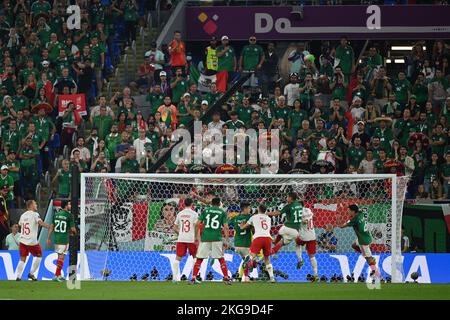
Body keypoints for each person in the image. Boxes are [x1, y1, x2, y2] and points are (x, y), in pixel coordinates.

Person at [191, 197, 231, 284]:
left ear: (211, 203)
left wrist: (196, 237)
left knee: (200, 258)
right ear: (219, 203)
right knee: (220, 258)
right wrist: (227, 240)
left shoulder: (205, 211)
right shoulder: (222, 212)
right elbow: (226, 227)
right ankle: (226, 277)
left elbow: (197, 224)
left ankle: (193, 277)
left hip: (205, 238)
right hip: (217, 238)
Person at [339, 204, 381, 283]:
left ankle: (376, 273)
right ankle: (368, 257)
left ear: (353, 211)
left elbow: (341, 226)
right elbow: (360, 209)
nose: (347, 212)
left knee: (368, 258)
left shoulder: (354, 220)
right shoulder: (361, 213)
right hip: (366, 237)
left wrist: (338, 219)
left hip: (363, 241)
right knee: (354, 245)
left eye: (349, 211)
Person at [268, 192, 305, 269]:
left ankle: (273, 247)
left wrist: (266, 213)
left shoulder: (288, 206)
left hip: (288, 227)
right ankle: (300, 259)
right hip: (296, 231)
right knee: (284, 243)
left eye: (287, 197)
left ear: (291, 198)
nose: (286, 198)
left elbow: (277, 213)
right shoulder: (299, 204)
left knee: (280, 232)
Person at [239, 204, 275, 283]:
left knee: (251, 256)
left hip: (258, 238)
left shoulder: (253, 217)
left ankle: (247, 268)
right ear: (265, 210)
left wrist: (242, 226)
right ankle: (272, 277)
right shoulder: (268, 218)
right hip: (268, 238)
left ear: (258, 209)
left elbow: (244, 227)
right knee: (267, 259)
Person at [16, 200, 49, 281]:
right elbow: (41, 223)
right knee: (39, 255)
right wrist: (49, 227)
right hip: (31, 242)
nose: (36, 205)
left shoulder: (23, 215)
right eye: (35, 204)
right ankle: (31, 273)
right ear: (31, 205)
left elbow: (19, 224)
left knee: (22, 259)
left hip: (23, 240)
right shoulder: (35, 214)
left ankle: (18, 276)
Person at [46, 200, 76, 282]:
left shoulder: (56, 215)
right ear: (66, 206)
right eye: (69, 204)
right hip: (64, 239)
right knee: (61, 257)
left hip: (56, 239)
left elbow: (52, 226)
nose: (70, 206)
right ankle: (56, 275)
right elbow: (73, 229)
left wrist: (48, 238)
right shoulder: (69, 216)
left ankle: (58, 275)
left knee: (60, 256)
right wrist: (74, 233)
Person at [171, 198, 199, 283]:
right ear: (192, 204)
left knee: (177, 258)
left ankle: (175, 279)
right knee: (195, 257)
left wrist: (180, 233)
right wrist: (196, 237)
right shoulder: (194, 214)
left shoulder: (180, 213)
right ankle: (194, 277)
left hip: (181, 238)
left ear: (184, 204)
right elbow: (197, 226)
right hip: (191, 238)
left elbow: (174, 227)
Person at [229, 202, 252, 281]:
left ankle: (243, 276)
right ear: (245, 209)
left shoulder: (235, 218)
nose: (250, 210)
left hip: (237, 244)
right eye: (249, 208)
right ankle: (245, 277)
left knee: (245, 260)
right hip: (246, 244)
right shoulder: (250, 217)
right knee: (249, 260)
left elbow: (227, 223)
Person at [295, 204, 318, 281]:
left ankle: (300, 259)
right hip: (312, 235)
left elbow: (303, 221)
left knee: (297, 243)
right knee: (312, 256)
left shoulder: (299, 212)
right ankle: (316, 275)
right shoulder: (309, 210)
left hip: (304, 236)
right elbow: (313, 217)